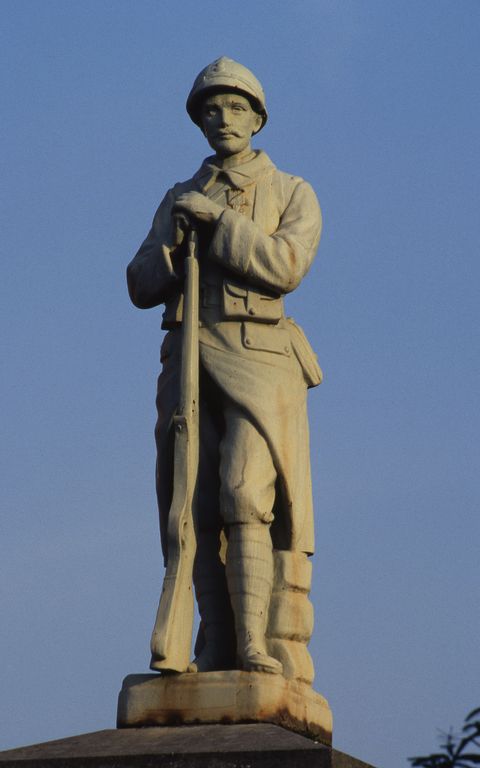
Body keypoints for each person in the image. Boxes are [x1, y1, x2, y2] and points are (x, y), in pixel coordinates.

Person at [127, 57, 322, 676]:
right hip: (188, 357)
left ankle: (256, 646)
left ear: (258, 118)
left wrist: (223, 225)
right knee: (195, 503)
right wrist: (172, 245)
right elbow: (138, 282)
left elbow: (287, 265)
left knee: (244, 492)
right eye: (210, 108)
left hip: (263, 358)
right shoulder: (179, 196)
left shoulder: (292, 191)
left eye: (236, 106)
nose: (223, 117)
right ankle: (214, 645)